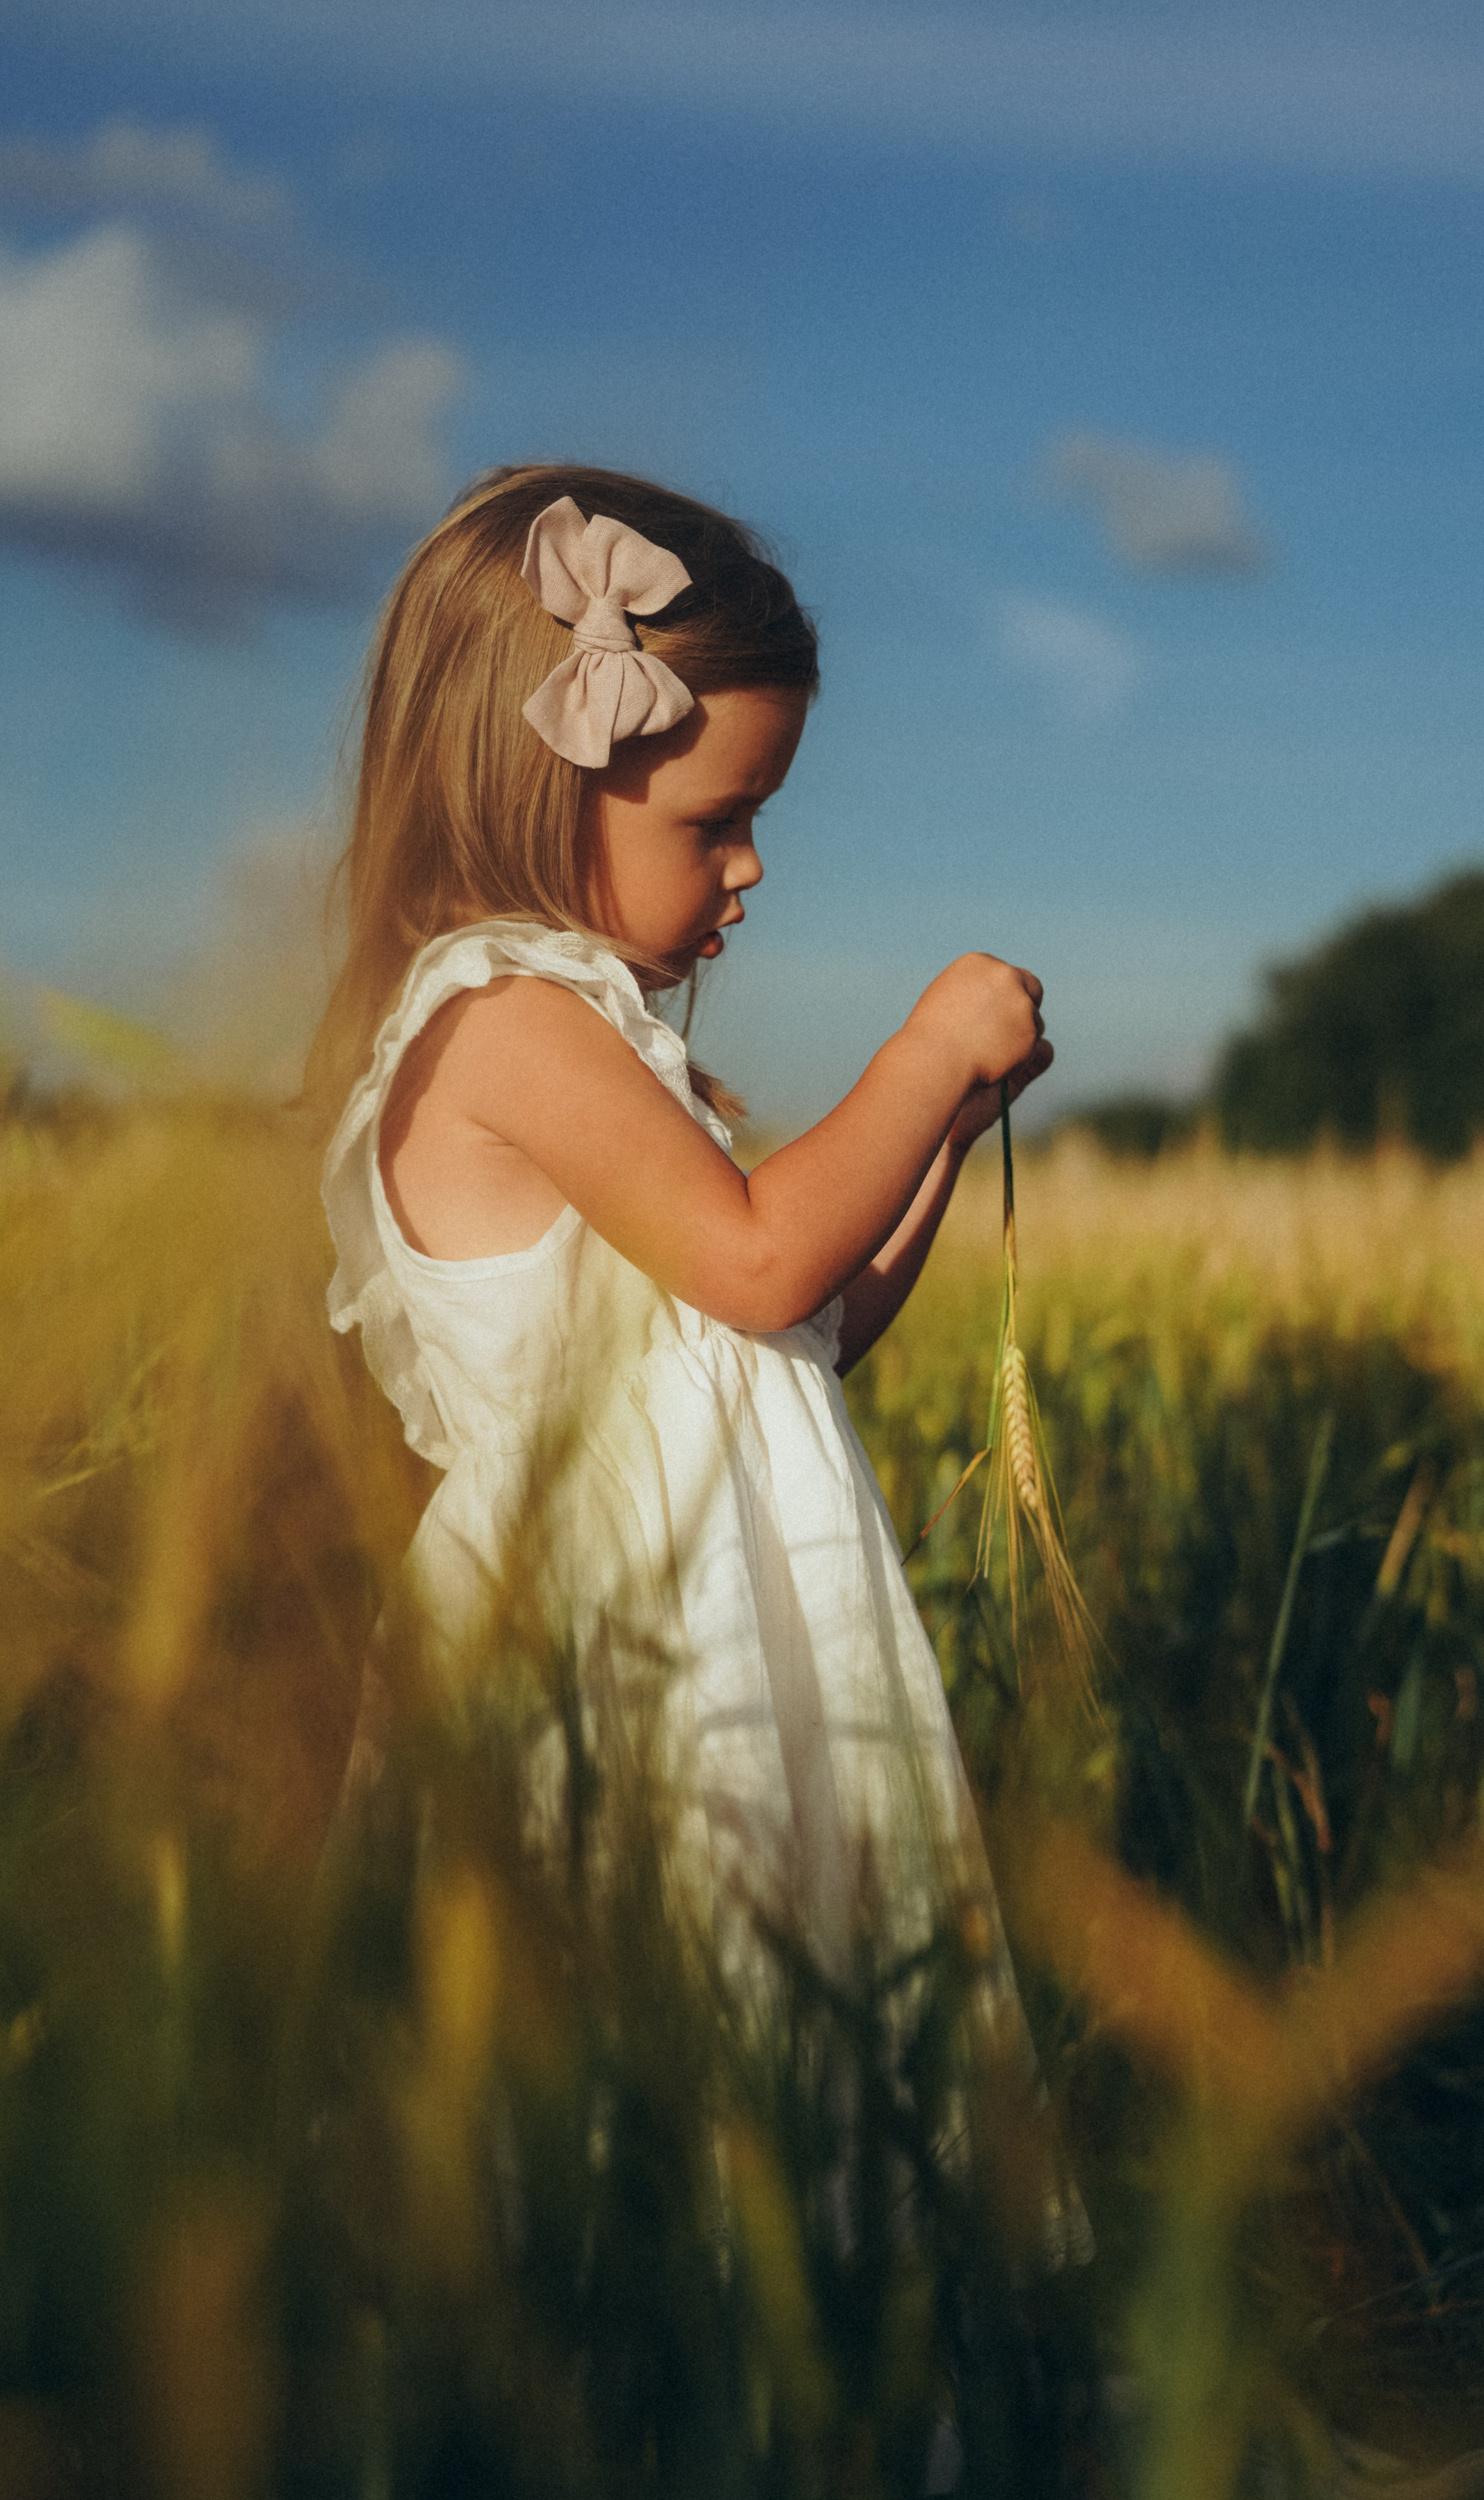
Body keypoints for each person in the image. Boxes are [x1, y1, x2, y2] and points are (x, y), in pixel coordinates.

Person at [310, 463, 1053, 2000]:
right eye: (721, 820)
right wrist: (917, 1055)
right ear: (547, 779)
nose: (750, 867)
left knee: (750, 2014)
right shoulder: (505, 1022)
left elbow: (799, 1330)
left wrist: (935, 1148)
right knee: (622, 2008)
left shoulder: (587, 1034)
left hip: (715, 1622)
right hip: (603, 1644)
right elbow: (760, 1256)